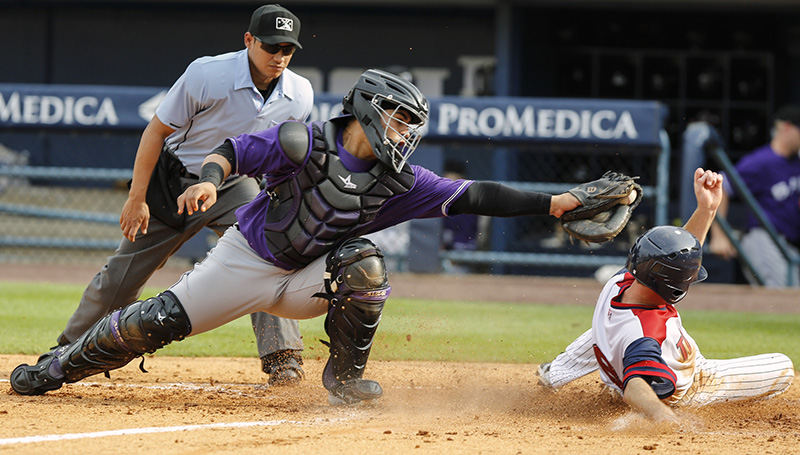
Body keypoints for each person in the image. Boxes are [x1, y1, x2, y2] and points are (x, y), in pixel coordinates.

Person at [10, 69, 585, 405]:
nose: (405, 132)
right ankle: (57, 367)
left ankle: (344, 379)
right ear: (365, 109)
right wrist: (209, 182)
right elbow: (232, 152)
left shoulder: (402, 181)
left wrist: (558, 201)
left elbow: (477, 194)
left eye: (411, 125)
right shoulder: (302, 141)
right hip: (245, 260)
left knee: (365, 265)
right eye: (398, 118)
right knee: (153, 321)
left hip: (303, 281)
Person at [51, 4, 313, 386]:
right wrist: (136, 198)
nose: (279, 56)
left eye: (287, 49)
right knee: (124, 273)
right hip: (178, 182)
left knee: (269, 255)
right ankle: (67, 350)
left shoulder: (299, 92)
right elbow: (155, 132)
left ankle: (283, 357)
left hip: (237, 184)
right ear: (248, 40)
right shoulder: (208, 73)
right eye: (271, 46)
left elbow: (283, 154)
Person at [537, 168, 794, 422]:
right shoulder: (649, 330)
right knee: (782, 366)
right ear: (674, 287)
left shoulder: (621, 281)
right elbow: (635, 386)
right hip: (689, 388)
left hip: (621, 339)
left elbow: (677, 253)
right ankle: (648, 395)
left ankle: (557, 371)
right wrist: (664, 416)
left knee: (607, 329)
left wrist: (707, 209)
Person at [709, 105, 800, 287]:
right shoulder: (761, 161)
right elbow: (722, 186)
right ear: (787, 128)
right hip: (764, 239)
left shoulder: (796, 163)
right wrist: (719, 235)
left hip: (789, 245)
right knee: (784, 297)